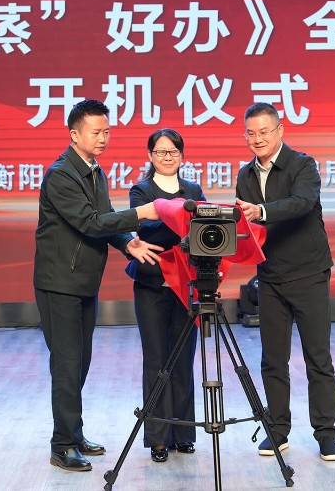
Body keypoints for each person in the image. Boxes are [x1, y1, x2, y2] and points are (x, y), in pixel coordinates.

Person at [34, 99, 163, 472]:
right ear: (75, 134)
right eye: (96, 132)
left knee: (80, 362)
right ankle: (62, 445)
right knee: (66, 363)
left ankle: (73, 433)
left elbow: (104, 220)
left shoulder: (94, 170)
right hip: (59, 282)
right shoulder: (61, 174)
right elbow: (90, 222)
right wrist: (141, 213)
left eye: (107, 131)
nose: (103, 138)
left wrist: (128, 243)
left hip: (83, 281)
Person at [234, 103, 335, 462]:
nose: (257, 139)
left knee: (318, 358)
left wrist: (261, 212)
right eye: (251, 133)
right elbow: (247, 226)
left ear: (280, 131)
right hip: (270, 277)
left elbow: (302, 203)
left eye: (264, 131)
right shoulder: (245, 175)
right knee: (273, 359)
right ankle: (278, 430)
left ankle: (325, 434)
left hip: (309, 273)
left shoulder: (303, 165)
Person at [126, 128, 205, 463]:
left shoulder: (194, 190)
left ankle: (184, 433)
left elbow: (202, 230)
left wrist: (179, 219)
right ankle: (158, 438)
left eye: (173, 151)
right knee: (157, 360)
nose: (167, 157)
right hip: (152, 285)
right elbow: (147, 231)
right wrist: (180, 217)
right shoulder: (141, 191)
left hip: (186, 284)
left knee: (184, 359)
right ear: (150, 156)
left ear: (182, 156)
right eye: (160, 152)